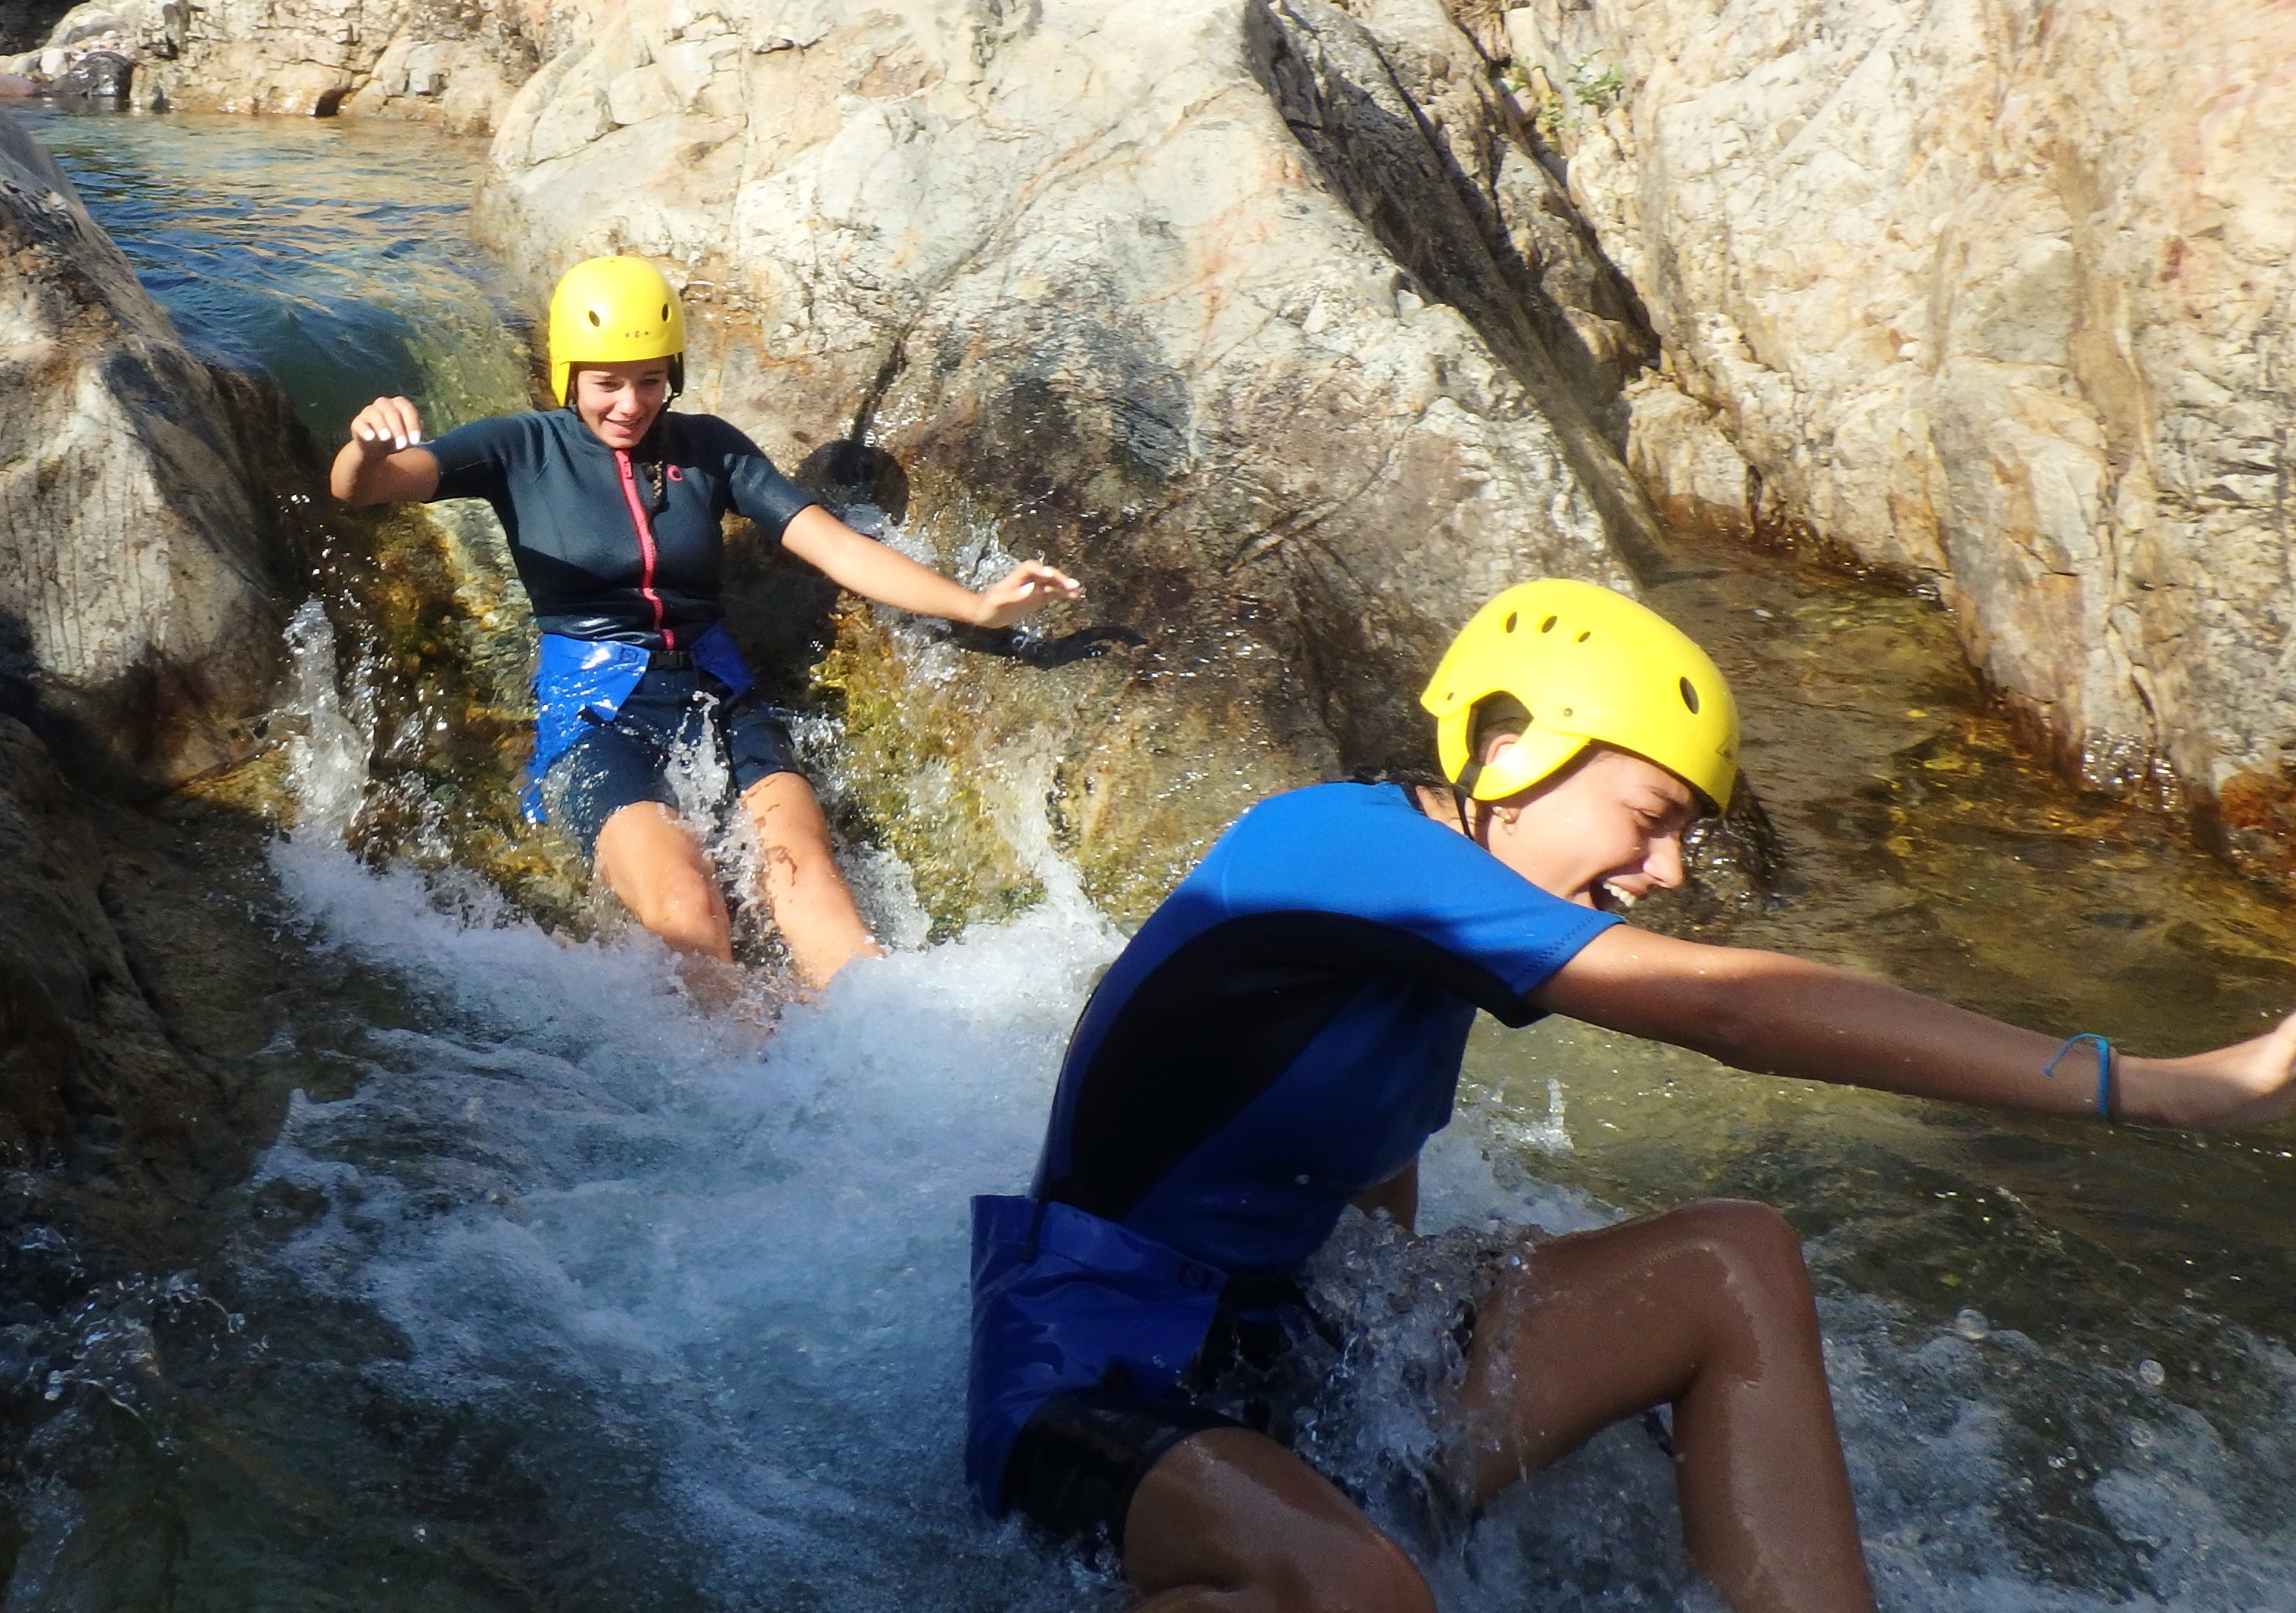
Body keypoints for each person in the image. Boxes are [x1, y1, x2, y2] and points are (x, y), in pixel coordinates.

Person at [966, 577, 2296, 1611]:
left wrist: (1439, 1325)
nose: (1663, 868)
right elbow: (1730, 1006)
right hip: (1087, 1369)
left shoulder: (1432, 935)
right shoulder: (1333, 844)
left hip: (1284, 1354)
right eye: (1647, 816)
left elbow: (1360, 1189)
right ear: (1504, 748)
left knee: (1729, 1258)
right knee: (1361, 1588)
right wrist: (2167, 1087)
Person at [331, 253, 1079, 990]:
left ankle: (892, 1066)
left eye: (651, 381)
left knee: (812, 884)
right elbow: (365, 490)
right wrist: (365, 448)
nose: (630, 403)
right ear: (567, 376)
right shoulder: (516, 448)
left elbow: (837, 548)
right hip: (595, 716)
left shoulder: (711, 449)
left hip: (720, 697)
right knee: (687, 908)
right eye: (607, 384)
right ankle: (737, 1096)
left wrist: (978, 605)